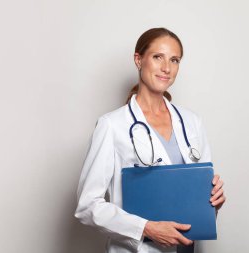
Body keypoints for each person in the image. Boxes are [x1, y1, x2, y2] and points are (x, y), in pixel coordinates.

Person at [75, 27, 226, 253]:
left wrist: (214, 201)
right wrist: (145, 228)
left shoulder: (192, 122)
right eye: (158, 57)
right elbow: (87, 206)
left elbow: (198, 200)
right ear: (138, 59)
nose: (167, 68)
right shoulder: (112, 125)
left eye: (174, 60)